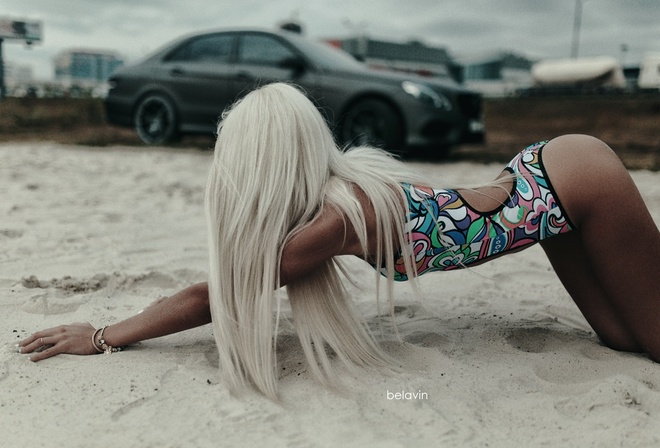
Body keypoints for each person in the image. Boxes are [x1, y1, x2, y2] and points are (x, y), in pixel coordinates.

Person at [18, 83, 660, 400]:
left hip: (576, 178)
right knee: (625, 343)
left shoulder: (334, 219)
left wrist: (101, 335)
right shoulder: (336, 198)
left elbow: (215, 296)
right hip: (546, 196)